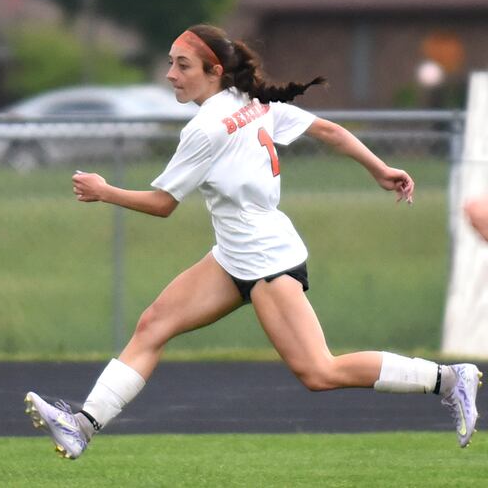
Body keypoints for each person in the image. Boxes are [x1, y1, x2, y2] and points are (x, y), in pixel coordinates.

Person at [24, 24, 482, 459]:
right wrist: (378, 167)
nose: (170, 75)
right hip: (235, 256)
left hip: (265, 260)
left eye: (183, 65)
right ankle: (82, 426)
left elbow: (163, 204)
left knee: (320, 371)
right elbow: (331, 131)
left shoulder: (205, 128)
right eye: (170, 63)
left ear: (214, 72)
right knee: (153, 326)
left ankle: (448, 378)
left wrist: (104, 191)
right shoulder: (251, 100)